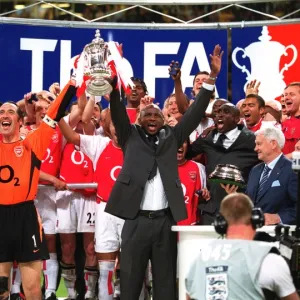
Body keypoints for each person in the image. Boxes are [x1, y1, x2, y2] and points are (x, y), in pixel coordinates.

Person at [104, 45, 223, 300]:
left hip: (165, 221)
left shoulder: (172, 137)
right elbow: (116, 109)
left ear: (164, 118)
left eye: (156, 114)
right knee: (130, 284)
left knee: (166, 286)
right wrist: (116, 81)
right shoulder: (129, 136)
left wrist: (211, 78)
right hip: (134, 221)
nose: (152, 117)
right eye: (146, 114)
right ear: (139, 119)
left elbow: (193, 114)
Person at [0, 80, 76, 299]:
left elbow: (54, 113)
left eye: (11, 112)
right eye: (1, 112)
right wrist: (19, 104)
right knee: (1, 288)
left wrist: (71, 84)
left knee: (32, 288)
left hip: (25, 218)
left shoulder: (32, 143)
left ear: (21, 119)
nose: (5, 115)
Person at [185, 193, 299, 300]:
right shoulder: (267, 260)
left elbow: (189, 295)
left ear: (221, 224)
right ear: (256, 219)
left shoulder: (200, 259)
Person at [186, 103, 259, 225]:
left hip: (239, 208)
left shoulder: (251, 139)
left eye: (226, 112)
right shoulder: (207, 138)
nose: (219, 114)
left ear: (236, 119)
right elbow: (185, 152)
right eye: (218, 112)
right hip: (212, 210)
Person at [246, 127, 297, 225]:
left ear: (273, 144)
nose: (255, 148)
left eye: (259, 144)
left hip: (279, 234)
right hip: (252, 232)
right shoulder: (255, 170)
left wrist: (279, 218)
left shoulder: (293, 169)